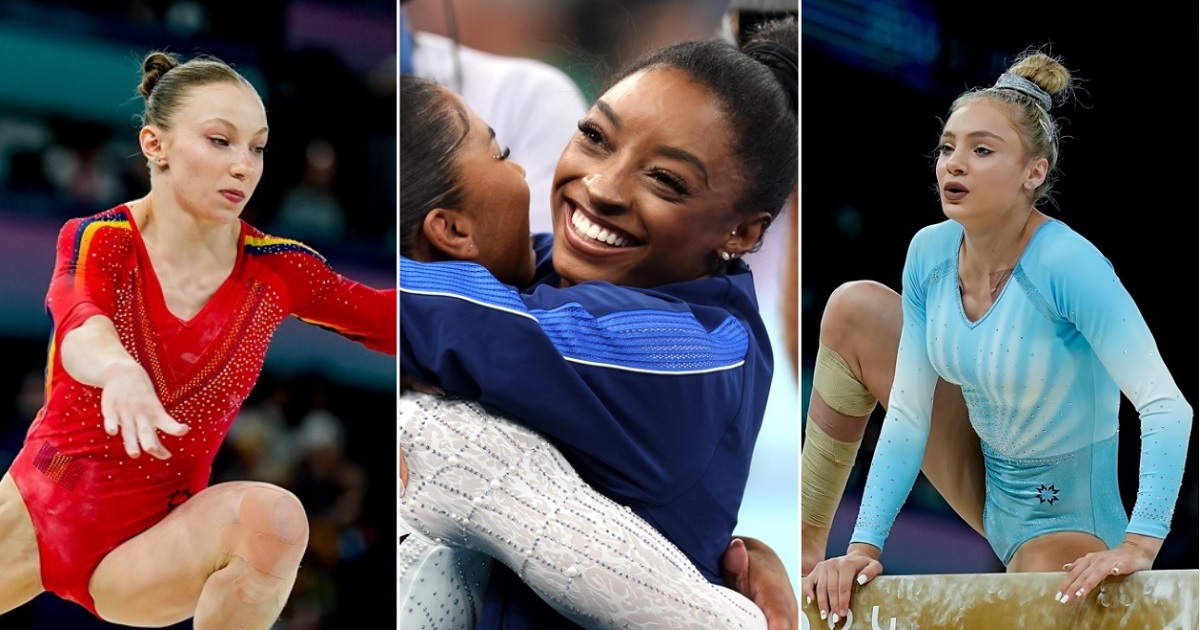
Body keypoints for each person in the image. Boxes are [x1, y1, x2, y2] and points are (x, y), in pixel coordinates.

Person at [400, 30, 798, 629]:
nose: (602, 188)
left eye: (665, 180)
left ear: (740, 234)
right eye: (594, 137)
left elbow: (429, 312)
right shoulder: (549, 273)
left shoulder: (688, 353)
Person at [0, 51, 395, 629]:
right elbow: (80, 320)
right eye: (220, 141)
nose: (244, 166)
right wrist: (118, 370)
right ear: (155, 145)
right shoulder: (101, 239)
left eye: (256, 147)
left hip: (157, 543)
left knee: (275, 522)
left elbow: (394, 319)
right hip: (40, 510)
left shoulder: (277, 270)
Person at [802, 48, 1193, 624]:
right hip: (986, 482)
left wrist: (1140, 542)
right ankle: (804, 547)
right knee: (854, 308)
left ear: (1033, 173)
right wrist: (862, 548)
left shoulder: (1069, 264)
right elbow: (909, 418)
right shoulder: (928, 253)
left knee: (1041, 599)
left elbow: (1167, 408)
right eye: (947, 147)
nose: (953, 164)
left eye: (982, 150)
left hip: (1067, 521)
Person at [400, 0, 589, 235]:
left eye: (502, 154)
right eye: (500, 156)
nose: (520, 173)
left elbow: (545, 256)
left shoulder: (529, 95)